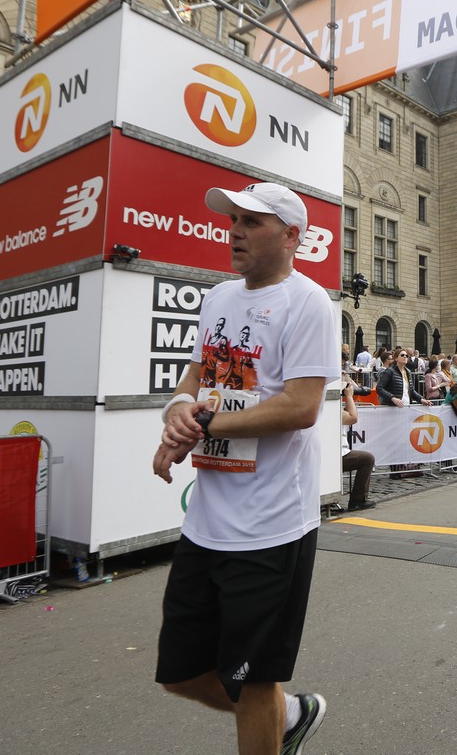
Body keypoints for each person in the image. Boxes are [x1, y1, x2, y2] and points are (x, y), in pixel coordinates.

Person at [151, 182, 336, 755]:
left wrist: (205, 424)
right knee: (180, 674)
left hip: (271, 527)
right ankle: (291, 715)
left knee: (254, 684)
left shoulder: (309, 302)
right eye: (233, 220)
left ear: (291, 236)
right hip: (206, 523)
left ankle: (274, 714)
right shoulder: (217, 298)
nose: (234, 230)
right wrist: (178, 414)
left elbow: (301, 407)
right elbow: (197, 377)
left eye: (252, 222)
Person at [340, 378, 375, 512]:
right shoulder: (333, 410)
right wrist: (349, 396)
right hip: (338, 455)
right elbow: (353, 417)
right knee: (368, 459)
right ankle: (357, 500)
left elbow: (348, 413)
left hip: (330, 454)